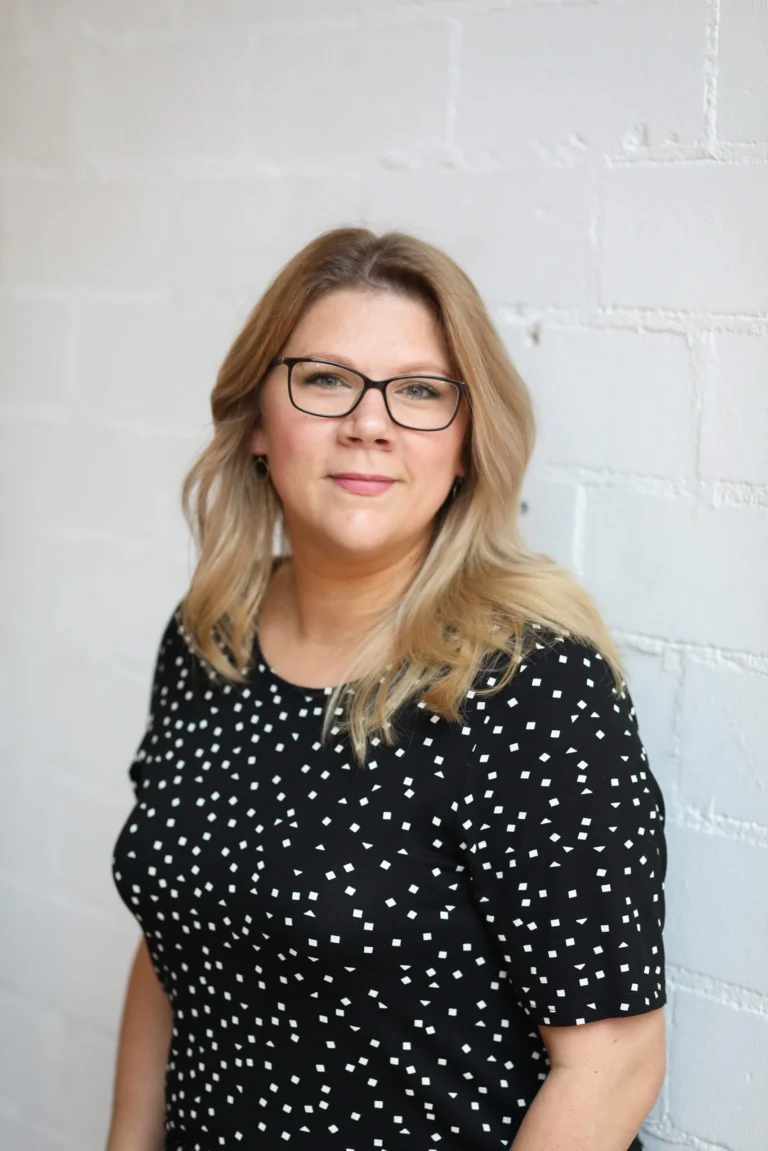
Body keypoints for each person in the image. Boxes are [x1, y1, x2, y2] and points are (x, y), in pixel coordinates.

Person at [107, 227, 667, 1151]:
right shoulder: (211, 637)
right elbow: (176, 941)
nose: (370, 423)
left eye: (419, 391)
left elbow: (614, 1060)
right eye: (326, 379)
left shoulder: (531, 684)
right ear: (258, 423)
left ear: (467, 444)